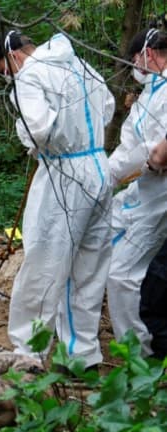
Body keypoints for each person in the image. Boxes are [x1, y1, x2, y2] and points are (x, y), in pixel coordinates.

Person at [0, 31, 115, 369]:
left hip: (64, 172)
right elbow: (107, 108)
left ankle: (28, 354)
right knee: (88, 266)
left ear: (14, 56)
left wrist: (27, 136)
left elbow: (38, 129)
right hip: (99, 165)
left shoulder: (30, 74)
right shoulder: (80, 65)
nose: (8, 78)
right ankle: (81, 355)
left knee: (44, 261)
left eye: (5, 71)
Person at [107, 28, 167, 356]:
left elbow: (160, 156)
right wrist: (104, 177)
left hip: (161, 195)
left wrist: (151, 159)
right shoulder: (147, 96)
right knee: (97, 238)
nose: (135, 66)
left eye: (136, 60)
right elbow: (129, 146)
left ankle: (137, 356)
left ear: (150, 53)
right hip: (143, 189)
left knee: (122, 273)